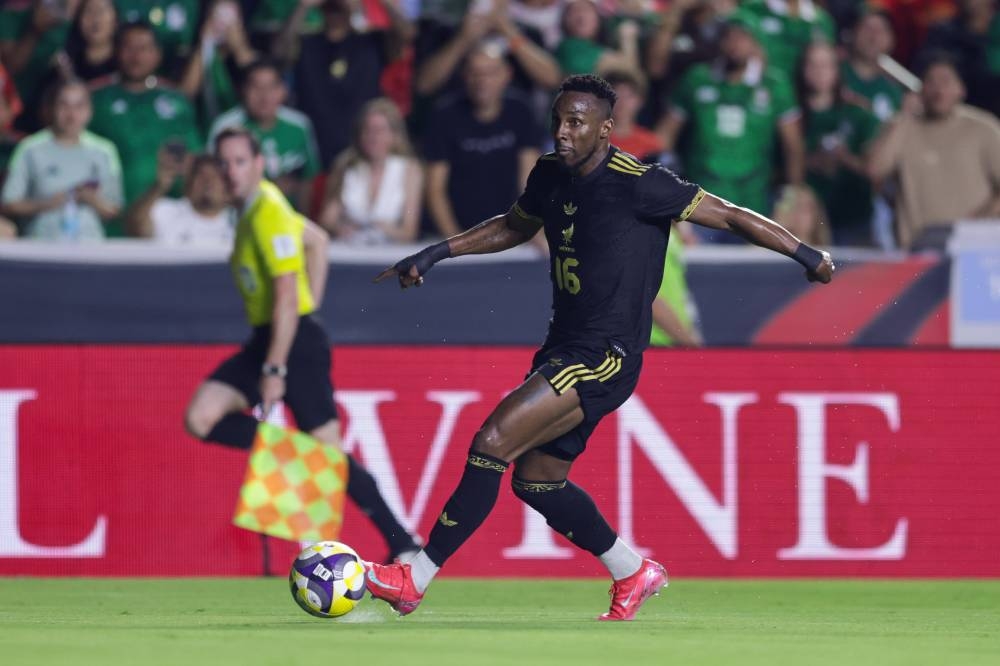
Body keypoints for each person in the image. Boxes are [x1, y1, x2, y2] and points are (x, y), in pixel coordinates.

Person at [367, 74, 834, 620]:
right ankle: (633, 571)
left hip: (604, 355)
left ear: (606, 129)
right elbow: (514, 227)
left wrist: (806, 254)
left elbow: (729, 214)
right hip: (562, 346)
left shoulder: (640, 183)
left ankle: (414, 577)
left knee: (493, 439)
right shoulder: (549, 173)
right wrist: (436, 253)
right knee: (537, 482)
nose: (562, 132)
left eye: (576, 122)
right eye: (558, 120)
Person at [183, 127, 421, 563]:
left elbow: (286, 293)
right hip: (270, 336)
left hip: (292, 345)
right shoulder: (253, 210)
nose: (231, 171)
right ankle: (313, 461)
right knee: (202, 417)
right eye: (224, 162)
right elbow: (318, 241)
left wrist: (278, 363)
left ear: (258, 164)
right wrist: (307, 308)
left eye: (240, 161)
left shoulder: (267, 212)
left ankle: (403, 543)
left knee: (331, 456)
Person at [657, 11, 805, 243]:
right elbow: (665, 135)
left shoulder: (775, 85)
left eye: (743, 37)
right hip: (700, 202)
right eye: (729, 36)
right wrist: (663, 187)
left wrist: (791, 197)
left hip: (755, 204)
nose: (735, 44)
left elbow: (793, 147)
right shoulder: (696, 79)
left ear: (756, 43)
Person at [868, 54, 1000, 250]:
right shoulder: (901, 127)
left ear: (961, 89)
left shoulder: (984, 128)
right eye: (931, 82)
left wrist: (977, 222)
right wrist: (904, 117)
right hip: (917, 250)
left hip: (974, 249)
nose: (939, 90)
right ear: (920, 88)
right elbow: (874, 170)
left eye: (946, 81)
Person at [88, 20, 201, 228]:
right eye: (129, 48)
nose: (136, 56)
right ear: (116, 51)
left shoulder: (177, 102)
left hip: (166, 219)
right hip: (109, 218)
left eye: (144, 48)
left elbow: (193, 159)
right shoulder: (95, 99)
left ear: (158, 54)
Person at [423, 44, 543, 238]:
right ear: (464, 76)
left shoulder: (521, 111)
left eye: (491, 73)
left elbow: (529, 181)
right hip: (458, 231)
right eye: (475, 73)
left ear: (507, 75)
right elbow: (435, 189)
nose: (482, 81)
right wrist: (457, 242)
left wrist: (533, 232)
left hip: (510, 233)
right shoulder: (445, 115)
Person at [1, 79, 122, 240]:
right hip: (41, 242)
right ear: (51, 108)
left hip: (90, 243)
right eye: (64, 105)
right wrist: (48, 204)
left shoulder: (105, 151)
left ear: (90, 111)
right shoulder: (29, 149)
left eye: (79, 106)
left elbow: (114, 209)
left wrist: (91, 199)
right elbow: (9, 204)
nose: (71, 114)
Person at [208, 59, 321, 211]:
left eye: (271, 87)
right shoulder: (225, 127)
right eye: (256, 87)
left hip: (288, 217)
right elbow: (211, 178)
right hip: (237, 216)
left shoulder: (299, 126)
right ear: (243, 90)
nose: (264, 96)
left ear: (283, 90)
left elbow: (309, 179)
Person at [319, 97, 422, 245]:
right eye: (367, 130)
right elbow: (327, 220)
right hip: (350, 248)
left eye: (379, 131)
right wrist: (341, 229)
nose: (373, 137)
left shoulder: (409, 170)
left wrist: (380, 228)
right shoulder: (346, 166)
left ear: (394, 135)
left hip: (392, 251)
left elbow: (409, 231)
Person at [125, 150, 233, 244]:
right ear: (189, 183)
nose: (208, 181)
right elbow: (135, 228)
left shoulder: (236, 222)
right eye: (201, 175)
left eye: (215, 176)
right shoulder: (167, 211)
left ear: (227, 188)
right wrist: (160, 185)